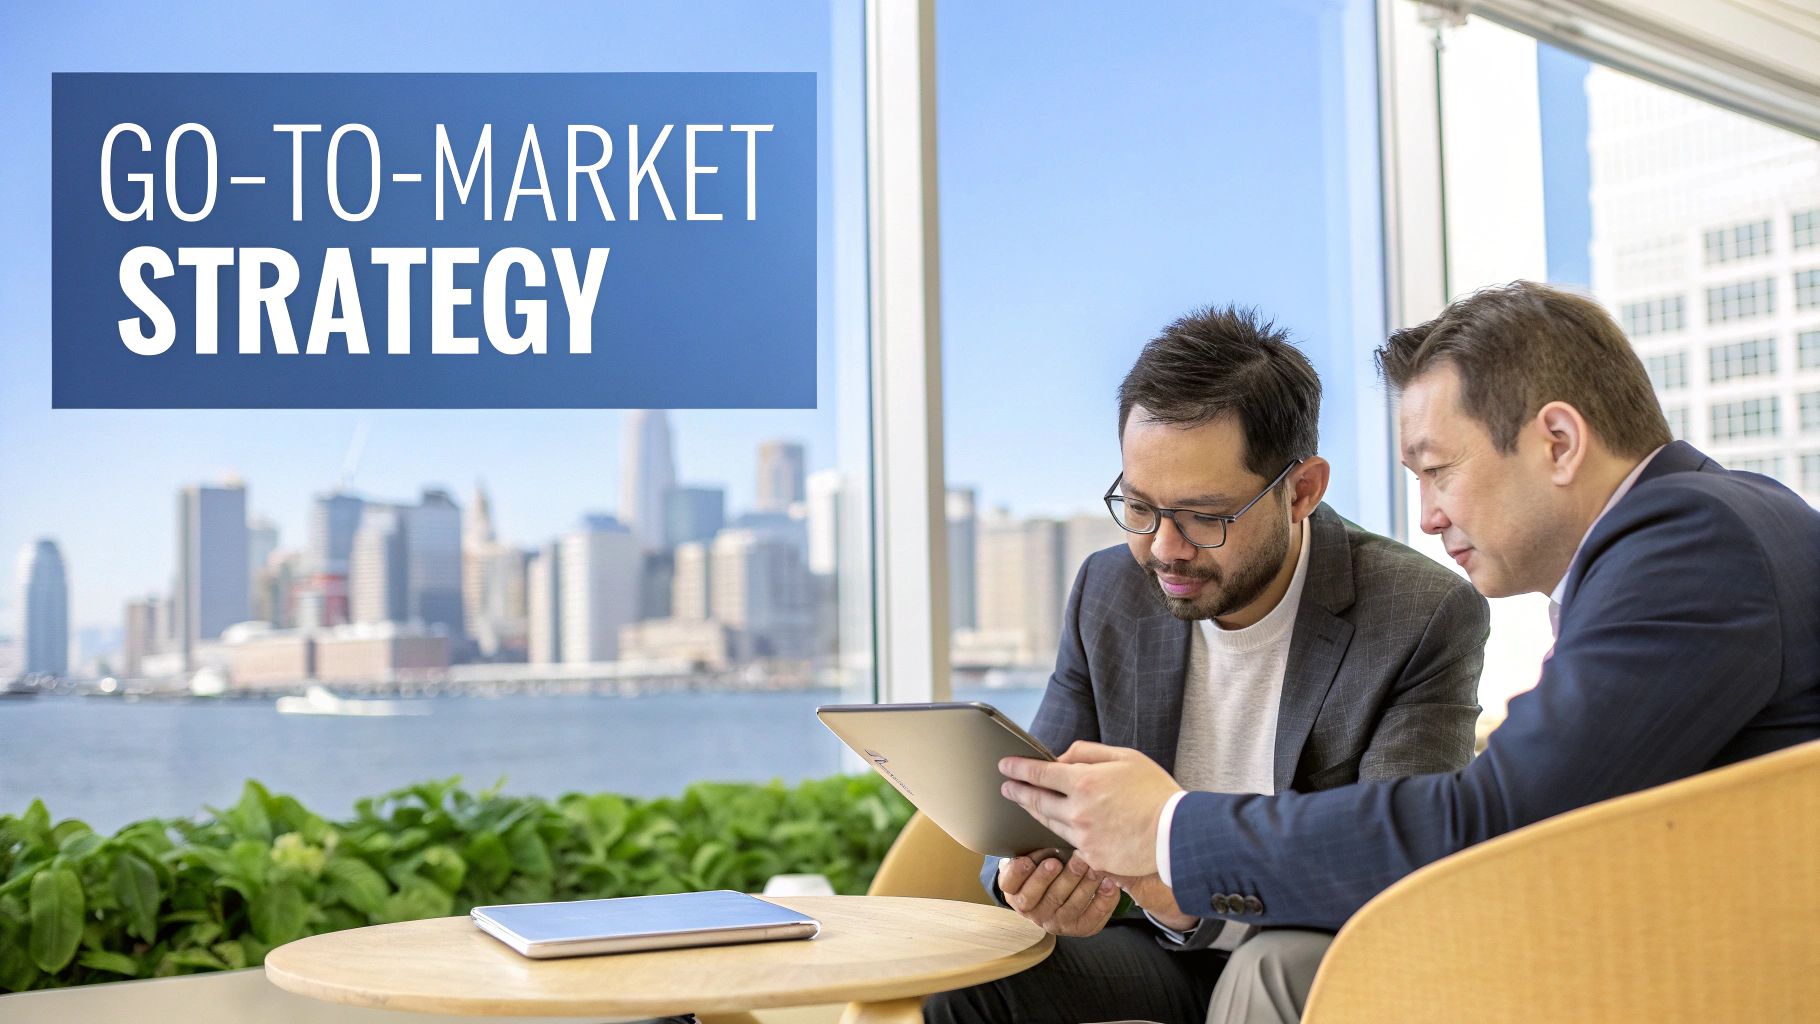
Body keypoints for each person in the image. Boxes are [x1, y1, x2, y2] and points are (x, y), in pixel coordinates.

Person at [999, 281, 1820, 1023]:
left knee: (1284, 972)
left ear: (1559, 442)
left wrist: (1171, 830)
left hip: (1707, 973)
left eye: (1439, 472)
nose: (1426, 517)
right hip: (1659, 944)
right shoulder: (1707, 527)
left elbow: (1494, 821)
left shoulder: (1690, 546)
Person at [925, 306, 1489, 1024]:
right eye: (1139, 506)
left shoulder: (1419, 611)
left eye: (1205, 515)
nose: (1164, 548)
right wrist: (1024, 875)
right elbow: (1033, 792)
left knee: (1264, 968)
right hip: (1156, 949)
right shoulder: (1108, 590)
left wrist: (1176, 876)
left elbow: (1397, 869)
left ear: (1302, 491)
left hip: (1314, 959)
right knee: (970, 989)